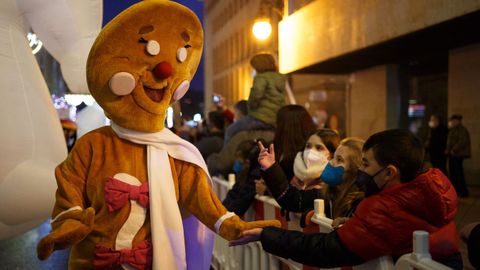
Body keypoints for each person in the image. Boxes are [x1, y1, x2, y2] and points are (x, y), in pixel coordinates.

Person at [231, 129, 462, 269]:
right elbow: (294, 200)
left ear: (390, 172)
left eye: (366, 164)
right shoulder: (425, 190)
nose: (362, 168)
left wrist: (265, 234)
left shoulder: (383, 209)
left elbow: (325, 249)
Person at [260, 136, 364, 220]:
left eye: (339, 159)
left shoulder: (360, 204)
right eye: (334, 157)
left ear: (354, 169)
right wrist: (271, 167)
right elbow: (291, 199)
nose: (331, 162)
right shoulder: (324, 192)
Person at [224, 53, 286, 144]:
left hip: (260, 118)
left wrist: (250, 106)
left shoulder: (260, 78)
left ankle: (227, 155)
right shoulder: (280, 78)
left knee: (230, 130)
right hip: (275, 119)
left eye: (253, 67)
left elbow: (256, 95)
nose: (252, 70)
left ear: (258, 66)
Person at [446, 114, 471, 197]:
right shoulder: (454, 129)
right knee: (454, 173)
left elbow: (462, 141)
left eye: (453, 120)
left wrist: (453, 149)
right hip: (453, 154)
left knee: (458, 173)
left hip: (458, 154)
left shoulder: (461, 129)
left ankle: (463, 191)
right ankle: (457, 190)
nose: (451, 122)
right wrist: (448, 150)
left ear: (458, 121)